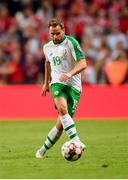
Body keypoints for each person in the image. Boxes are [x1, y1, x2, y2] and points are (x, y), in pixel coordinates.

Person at [36, 18, 87, 158]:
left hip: (74, 86)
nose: (55, 37)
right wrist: (46, 83)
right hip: (57, 83)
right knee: (62, 107)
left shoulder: (71, 42)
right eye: (52, 34)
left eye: (57, 33)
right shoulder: (47, 47)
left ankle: (42, 150)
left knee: (60, 125)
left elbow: (83, 63)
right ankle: (76, 140)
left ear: (63, 30)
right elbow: (47, 63)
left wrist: (69, 74)